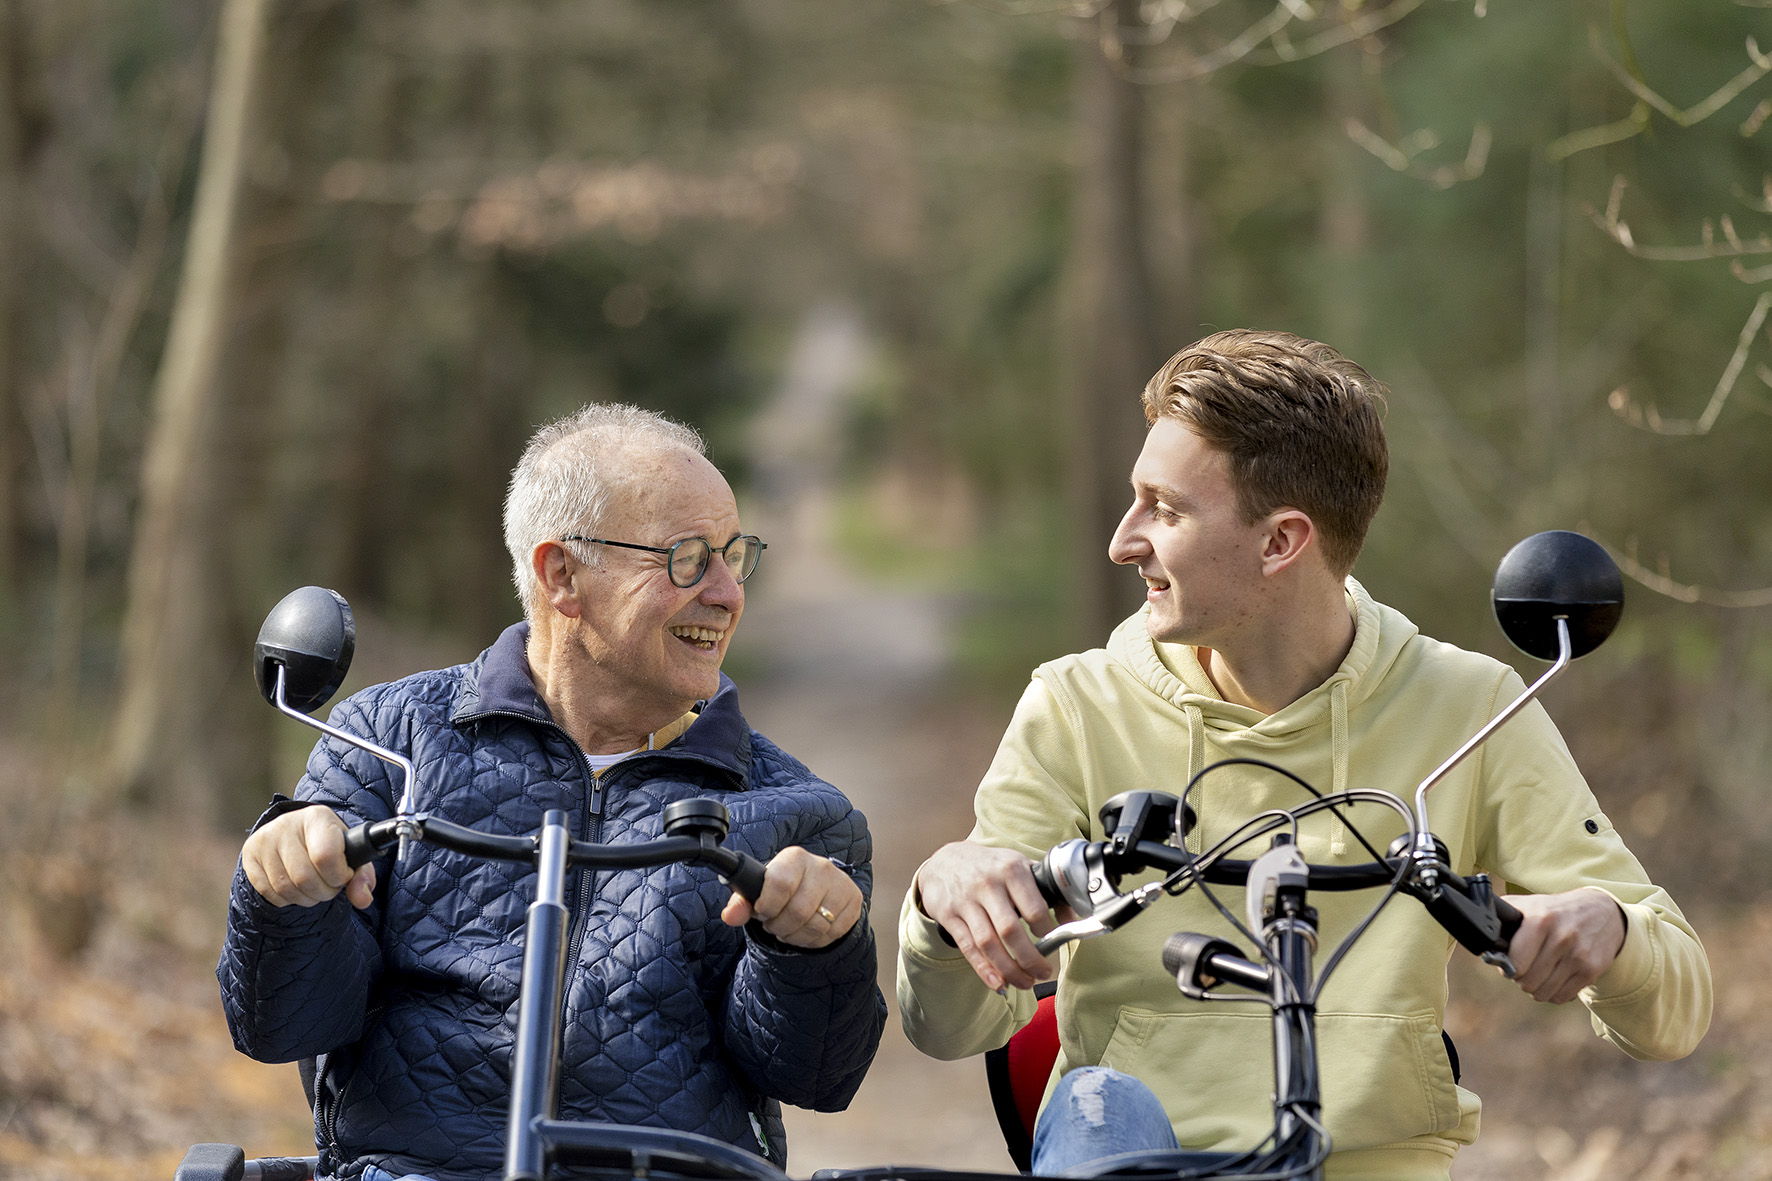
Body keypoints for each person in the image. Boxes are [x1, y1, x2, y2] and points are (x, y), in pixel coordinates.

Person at [896, 330, 1711, 1179]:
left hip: (1372, 1163)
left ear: (1281, 541)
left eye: (1164, 509)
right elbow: (949, 1026)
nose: (1123, 540)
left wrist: (1614, 930)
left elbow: (1676, 1014)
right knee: (1097, 1102)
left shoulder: (1471, 709)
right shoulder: (1076, 705)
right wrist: (942, 903)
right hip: (1141, 1153)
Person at [219, 404, 887, 1181]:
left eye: (735, 557)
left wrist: (814, 948)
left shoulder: (798, 811)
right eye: (688, 559)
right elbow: (281, 1025)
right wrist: (283, 887)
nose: (728, 593)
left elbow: (817, 1074)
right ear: (562, 575)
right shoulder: (388, 741)